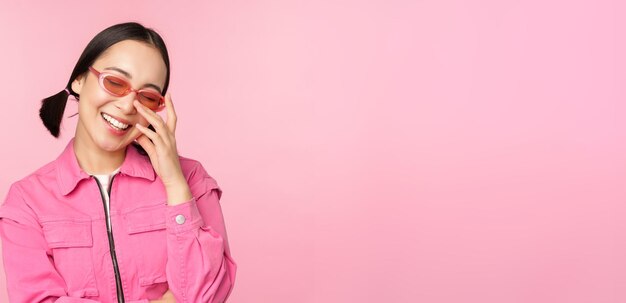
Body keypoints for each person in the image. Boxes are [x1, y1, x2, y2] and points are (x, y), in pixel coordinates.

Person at [0, 22, 237, 303]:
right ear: (79, 79)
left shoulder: (191, 179)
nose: (127, 106)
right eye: (115, 82)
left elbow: (209, 291)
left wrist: (175, 183)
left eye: (147, 97)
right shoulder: (26, 201)